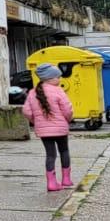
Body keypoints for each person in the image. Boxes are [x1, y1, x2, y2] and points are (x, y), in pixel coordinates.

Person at [22, 63, 74, 192]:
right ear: (50, 79)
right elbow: (67, 109)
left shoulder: (33, 92)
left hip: (44, 131)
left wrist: (36, 122)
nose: (59, 79)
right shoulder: (58, 91)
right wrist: (67, 120)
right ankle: (66, 179)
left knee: (50, 155)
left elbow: (26, 111)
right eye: (57, 77)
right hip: (60, 129)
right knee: (64, 151)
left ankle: (51, 183)